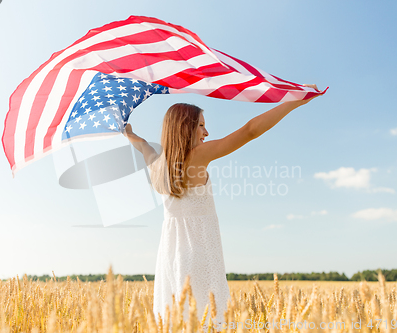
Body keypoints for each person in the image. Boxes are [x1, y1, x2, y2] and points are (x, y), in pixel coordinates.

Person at [123, 84, 322, 331]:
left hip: (170, 256)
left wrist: (128, 133)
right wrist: (295, 101)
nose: (206, 132)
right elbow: (250, 131)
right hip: (201, 252)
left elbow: (143, 145)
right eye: (201, 125)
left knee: (177, 319)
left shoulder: (156, 165)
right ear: (186, 127)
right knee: (208, 319)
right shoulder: (197, 155)